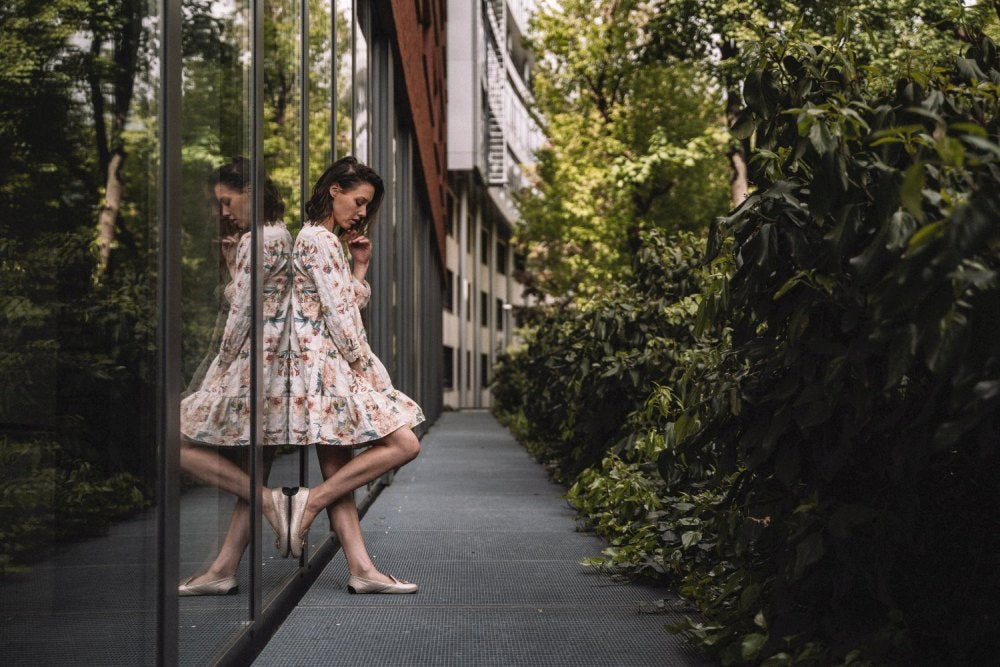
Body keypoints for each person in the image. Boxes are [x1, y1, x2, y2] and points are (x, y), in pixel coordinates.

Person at [286, 156, 424, 594]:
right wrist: (369, 372)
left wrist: (359, 267)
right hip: (330, 368)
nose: (362, 213)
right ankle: (310, 502)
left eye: (367, 206)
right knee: (404, 443)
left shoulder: (321, 241)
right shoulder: (320, 240)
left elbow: (340, 300)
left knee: (338, 470)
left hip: (322, 366)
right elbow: (342, 319)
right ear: (334, 191)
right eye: (359, 201)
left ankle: (361, 569)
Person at [177, 157, 294, 595]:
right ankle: (224, 569)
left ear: (251, 192)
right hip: (271, 371)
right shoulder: (278, 235)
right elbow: (263, 301)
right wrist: (234, 270)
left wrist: (218, 370)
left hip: (248, 371)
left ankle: (272, 504)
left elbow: (243, 314)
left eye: (227, 200)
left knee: (178, 444)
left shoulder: (259, 239)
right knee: (251, 472)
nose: (224, 211)